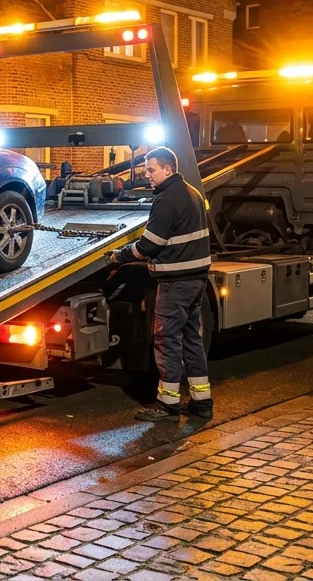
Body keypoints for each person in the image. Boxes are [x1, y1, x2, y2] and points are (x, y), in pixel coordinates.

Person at [106, 146, 213, 423]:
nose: (148, 176)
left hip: (175, 283)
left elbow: (149, 246)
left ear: (168, 169)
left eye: (151, 170)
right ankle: (202, 402)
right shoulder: (192, 192)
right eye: (146, 171)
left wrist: (119, 256)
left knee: (166, 341)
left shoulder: (166, 200)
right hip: (196, 280)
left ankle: (167, 406)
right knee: (191, 339)